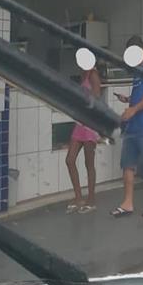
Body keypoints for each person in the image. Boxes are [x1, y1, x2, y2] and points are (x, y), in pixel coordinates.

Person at [111, 36, 143, 218]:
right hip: (133, 128)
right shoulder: (138, 71)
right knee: (127, 165)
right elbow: (140, 96)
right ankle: (127, 203)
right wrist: (128, 100)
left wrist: (133, 109)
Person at [65, 62, 102, 214]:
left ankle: (91, 199)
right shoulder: (84, 74)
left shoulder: (93, 74)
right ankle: (79, 196)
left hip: (89, 124)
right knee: (70, 159)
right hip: (80, 123)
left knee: (89, 163)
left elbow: (97, 97)